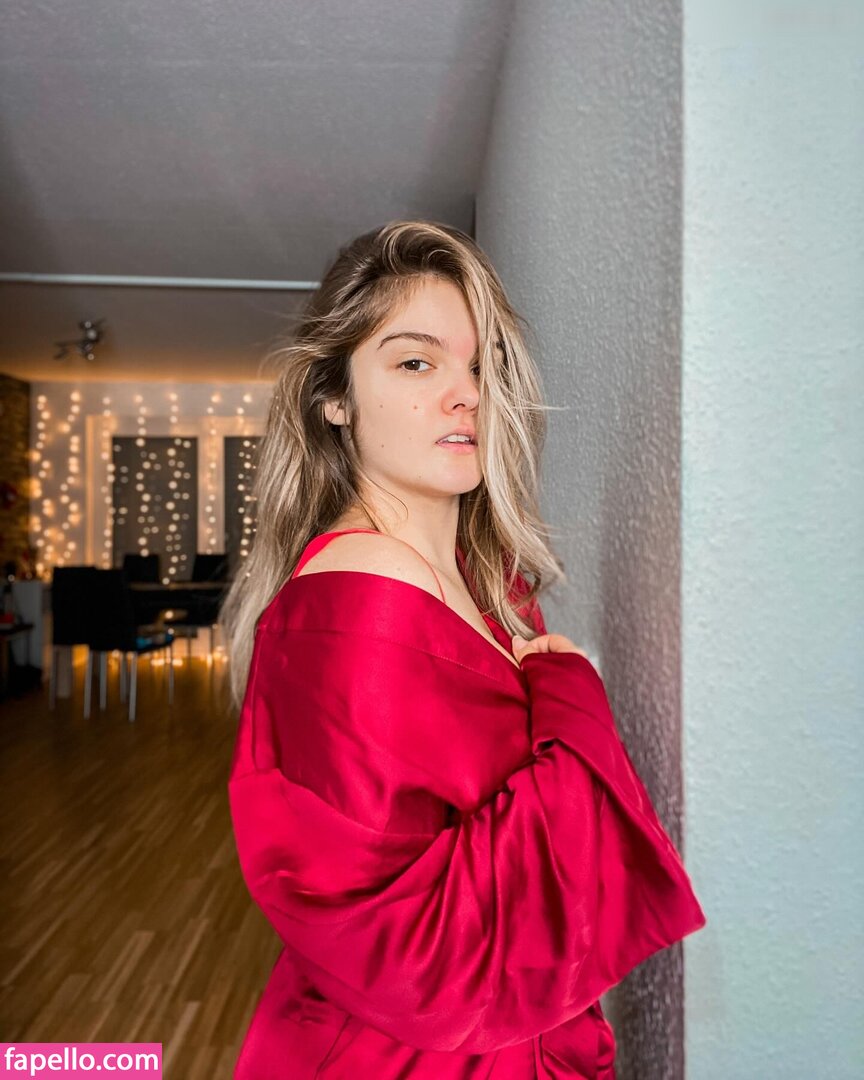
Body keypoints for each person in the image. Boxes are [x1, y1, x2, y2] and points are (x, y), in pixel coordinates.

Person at [222, 220, 707, 1078]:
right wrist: (568, 689)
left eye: (481, 366)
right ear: (334, 398)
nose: (467, 395)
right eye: (416, 363)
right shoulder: (358, 601)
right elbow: (403, 942)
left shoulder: (489, 580)